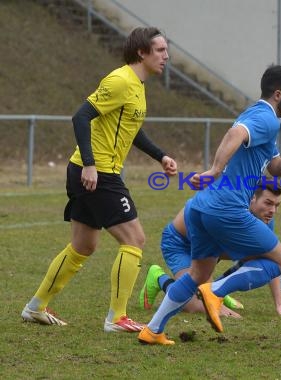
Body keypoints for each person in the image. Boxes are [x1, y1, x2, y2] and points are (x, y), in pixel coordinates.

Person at [137, 64, 281, 345]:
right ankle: (215, 291)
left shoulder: (261, 120)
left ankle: (153, 329)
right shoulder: (266, 118)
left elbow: (275, 167)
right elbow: (235, 133)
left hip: (202, 208)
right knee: (280, 260)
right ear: (279, 94)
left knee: (197, 274)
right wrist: (215, 170)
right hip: (226, 207)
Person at [21, 27, 177, 333]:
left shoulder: (138, 85)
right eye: (159, 50)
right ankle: (117, 318)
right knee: (135, 239)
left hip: (92, 171)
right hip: (97, 173)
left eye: (165, 50)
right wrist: (90, 165)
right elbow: (81, 116)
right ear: (141, 53)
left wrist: (160, 156)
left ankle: (35, 307)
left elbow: (132, 130)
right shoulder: (120, 80)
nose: (166, 56)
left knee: (83, 246)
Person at [139, 182, 281, 318]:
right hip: (180, 244)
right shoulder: (225, 213)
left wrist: (279, 303)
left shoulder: (265, 219)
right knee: (192, 306)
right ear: (252, 199)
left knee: (263, 253)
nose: (273, 211)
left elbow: (273, 258)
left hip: (212, 249)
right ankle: (159, 278)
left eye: (277, 205)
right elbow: (204, 254)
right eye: (268, 203)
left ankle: (219, 289)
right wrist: (214, 302)